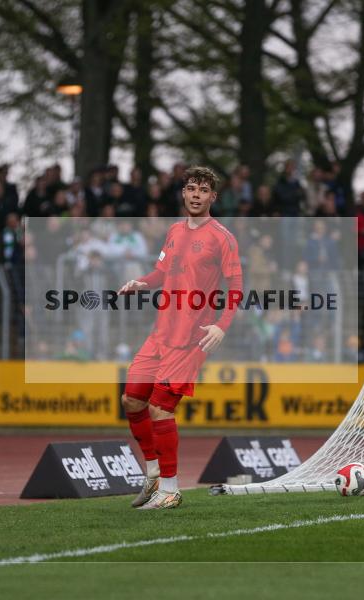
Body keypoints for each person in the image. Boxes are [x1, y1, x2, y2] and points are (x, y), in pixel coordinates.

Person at [117, 166, 243, 510]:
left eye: (203, 190)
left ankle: (171, 490)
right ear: (184, 193)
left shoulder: (222, 237)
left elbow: (236, 286)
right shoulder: (173, 231)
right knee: (131, 401)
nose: (196, 195)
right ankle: (154, 474)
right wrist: (142, 282)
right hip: (161, 333)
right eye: (191, 188)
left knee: (160, 408)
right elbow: (162, 271)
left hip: (190, 339)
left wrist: (221, 325)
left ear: (213, 197)